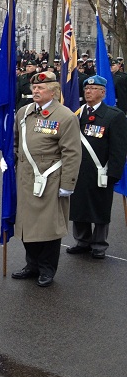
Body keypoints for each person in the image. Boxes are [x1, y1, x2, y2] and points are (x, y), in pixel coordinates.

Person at [11, 71, 81, 287]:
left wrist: (67, 184)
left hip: (50, 180)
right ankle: (31, 264)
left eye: (41, 88)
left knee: (48, 227)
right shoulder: (24, 112)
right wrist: (9, 160)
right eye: (34, 88)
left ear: (54, 91)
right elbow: (15, 142)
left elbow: (72, 153)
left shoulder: (65, 116)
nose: (35, 91)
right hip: (25, 179)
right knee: (26, 225)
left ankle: (47, 269)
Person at [66, 75, 127, 259]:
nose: (88, 91)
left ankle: (99, 245)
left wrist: (114, 174)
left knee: (100, 208)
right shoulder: (76, 114)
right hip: (78, 170)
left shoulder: (114, 115)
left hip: (101, 171)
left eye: (93, 89)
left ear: (103, 92)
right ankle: (82, 241)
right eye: (86, 89)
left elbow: (119, 148)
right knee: (79, 207)